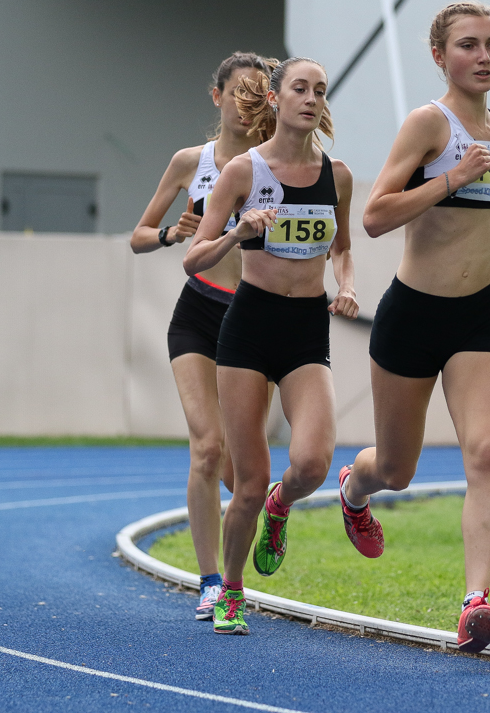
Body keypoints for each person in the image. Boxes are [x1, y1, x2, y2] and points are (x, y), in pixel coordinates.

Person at [336, 1, 490, 652]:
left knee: (487, 452)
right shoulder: (428, 123)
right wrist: (451, 178)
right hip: (414, 314)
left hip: (478, 314)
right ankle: (355, 488)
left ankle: (476, 602)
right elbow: (374, 215)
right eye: (468, 45)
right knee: (397, 469)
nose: (484, 56)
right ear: (439, 56)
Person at [184, 57, 359, 635]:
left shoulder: (338, 175)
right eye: (300, 88)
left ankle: (281, 507)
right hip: (249, 328)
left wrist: (347, 284)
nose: (310, 98)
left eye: (319, 91)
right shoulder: (244, 171)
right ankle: (232, 591)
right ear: (276, 99)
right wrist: (238, 231)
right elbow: (194, 257)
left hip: (306, 328)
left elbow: (342, 247)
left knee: (312, 462)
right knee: (247, 483)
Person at [130, 51, 273, 621]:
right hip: (199, 313)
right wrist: (172, 233)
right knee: (207, 447)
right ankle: (211, 581)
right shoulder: (191, 161)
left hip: (255, 318)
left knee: (245, 473)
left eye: (258, 93)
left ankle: (266, 523)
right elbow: (139, 235)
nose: (247, 104)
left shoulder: (276, 162)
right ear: (217, 96)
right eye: (238, 91)